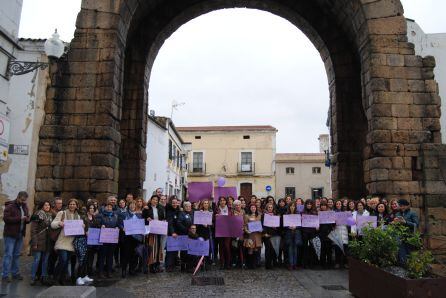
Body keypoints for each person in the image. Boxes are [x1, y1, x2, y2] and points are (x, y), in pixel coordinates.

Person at [51, 198, 82, 285]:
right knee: (63, 260)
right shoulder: (62, 213)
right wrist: (59, 223)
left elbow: (78, 231)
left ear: (76, 206)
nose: (72, 206)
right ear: (68, 205)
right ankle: (55, 278)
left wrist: (81, 227)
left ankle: (62, 279)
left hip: (71, 243)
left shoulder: (78, 216)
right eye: (70, 204)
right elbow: (52, 225)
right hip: (62, 241)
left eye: (74, 204)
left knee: (66, 262)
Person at [2, 191, 30, 282]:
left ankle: (15, 274)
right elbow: (6, 219)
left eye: (25, 200)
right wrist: (20, 218)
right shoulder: (10, 206)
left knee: (17, 255)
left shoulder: (25, 206)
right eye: (22, 200)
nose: (23, 201)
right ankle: (5, 275)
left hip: (20, 234)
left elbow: (26, 219)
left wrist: (28, 219)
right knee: (8, 255)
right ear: (18, 197)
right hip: (10, 234)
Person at [30, 200, 53, 285]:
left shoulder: (50, 215)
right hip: (39, 241)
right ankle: (32, 277)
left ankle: (44, 277)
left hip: (47, 242)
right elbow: (33, 230)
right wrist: (35, 242)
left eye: (48, 205)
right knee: (37, 260)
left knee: (45, 261)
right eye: (45, 205)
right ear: (42, 206)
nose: (47, 206)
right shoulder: (37, 215)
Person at [143, 195, 166, 273]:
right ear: (151, 200)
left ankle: (156, 264)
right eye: (153, 199)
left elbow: (163, 218)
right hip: (150, 231)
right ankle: (150, 265)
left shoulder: (160, 208)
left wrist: (163, 221)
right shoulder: (147, 208)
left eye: (156, 200)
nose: (155, 201)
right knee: (151, 248)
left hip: (158, 231)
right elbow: (143, 218)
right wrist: (147, 219)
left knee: (158, 248)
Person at [119, 201, 142, 277]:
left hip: (136, 238)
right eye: (131, 205)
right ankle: (124, 270)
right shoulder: (125, 214)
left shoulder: (139, 215)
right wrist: (123, 228)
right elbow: (120, 224)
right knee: (126, 254)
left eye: (134, 205)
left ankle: (132, 269)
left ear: (135, 206)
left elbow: (142, 225)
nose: (132, 206)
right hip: (127, 237)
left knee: (135, 254)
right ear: (128, 206)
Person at [96, 202, 119, 278]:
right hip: (103, 239)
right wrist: (100, 226)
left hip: (112, 240)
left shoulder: (115, 216)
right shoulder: (100, 215)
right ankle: (100, 272)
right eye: (107, 207)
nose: (109, 208)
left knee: (110, 256)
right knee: (102, 256)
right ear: (105, 208)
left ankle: (109, 272)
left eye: (110, 207)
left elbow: (117, 225)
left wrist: (117, 227)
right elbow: (96, 225)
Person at [393, 199, 419, 264]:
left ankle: (410, 267)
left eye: (403, 206)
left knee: (409, 253)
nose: (402, 207)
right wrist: (394, 223)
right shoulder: (398, 213)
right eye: (401, 206)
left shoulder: (412, 213)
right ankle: (403, 266)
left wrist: (405, 222)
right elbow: (396, 226)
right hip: (399, 237)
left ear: (407, 206)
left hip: (409, 237)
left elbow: (416, 225)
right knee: (401, 253)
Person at [243, 204, 262, 269]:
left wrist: (261, 229)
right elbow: (245, 225)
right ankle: (249, 264)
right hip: (250, 235)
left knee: (256, 249)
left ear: (256, 208)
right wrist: (246, 230)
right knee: (250, 249)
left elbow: (261, 224)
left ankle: (254, 264)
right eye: (252, 207)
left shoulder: (259, 216)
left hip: (257, 235)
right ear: (250, 208)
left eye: (254, 207)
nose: (253, 208)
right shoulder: (247, 216)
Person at [216, 197, 232, 270]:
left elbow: (233, 219)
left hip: (228, 231)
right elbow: (212, 219)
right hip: (219, 231)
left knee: (227, 247)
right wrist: (215, 217)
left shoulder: (230, 209)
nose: (222, 202)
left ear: (226, 201)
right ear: (219, 202)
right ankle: (222, 263)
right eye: (221, 200)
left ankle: (228, 264)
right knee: (221, 247)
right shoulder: (216, 209)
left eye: (224, 200)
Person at [284, 201, 302, 270]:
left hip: (296, 234)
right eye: (291, 206)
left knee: (296, 250)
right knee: (290, 249)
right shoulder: (286, 214)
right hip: (289, 234)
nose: (292, 207)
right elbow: (284, 225)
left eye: (294, 206)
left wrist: (296, 227)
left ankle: (295, 264)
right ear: (289, 207)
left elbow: (300, 225)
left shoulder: (298, 214)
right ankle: (291, 264)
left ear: (295, 207)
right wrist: (288, 227)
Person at [165, 197, 181, 272]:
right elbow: (170, 223)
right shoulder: (169, 211)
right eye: (173, 203)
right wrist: (172, 232)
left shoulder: (178, 210)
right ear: (171, 203)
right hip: (172, 233)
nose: (175, 204)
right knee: (170, 250)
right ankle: (168, 266)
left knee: (175, 249)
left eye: (176, 203)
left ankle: (174, 263)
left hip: (178, 232)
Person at [301, 199, 318, 269]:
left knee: (312, 247)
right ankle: (305, 263)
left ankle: (312, 263)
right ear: (306, 205)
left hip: (312, 232)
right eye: (308, 204)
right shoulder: (302, 212)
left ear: (312, 205)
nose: (309, 205)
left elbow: (317, 222)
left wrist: (317, 226)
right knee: (304, 248)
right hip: (304, 232)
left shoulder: (315, 212)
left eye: (310, 204)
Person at [85, 203, 100, 277]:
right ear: (88, 209)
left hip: (93, 241)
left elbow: (97, 228)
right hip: (85, 241)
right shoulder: (84, 218)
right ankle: (84, 273)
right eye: (90, 208)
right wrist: (85, 231)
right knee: (85, 258)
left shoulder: (95, 218)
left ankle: (89, 272)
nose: (92, 210)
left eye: (93, 209)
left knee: (91, 257)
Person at [262, 203, 278, 269]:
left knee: (273, 249)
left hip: (274, 234)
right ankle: (267, 265)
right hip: (267, 235)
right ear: (267, 208)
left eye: (271, 207)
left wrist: (276, 227)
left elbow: (278, 226)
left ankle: (272, 263)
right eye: (269, 207)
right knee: (268, 250)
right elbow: (262, 225)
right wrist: (265, 233)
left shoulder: (275, 216)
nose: (270, 208)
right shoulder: (264, 216)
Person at [318, 202, 334, 269]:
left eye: (324, 205)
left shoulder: (330, 213)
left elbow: (333, 224)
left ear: (326, 206)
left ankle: (330, 264)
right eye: (322, 205)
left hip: (329, 233)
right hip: (321, 233)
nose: (323, 207)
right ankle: (323, 264)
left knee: (329, 249)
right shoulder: (319, 213)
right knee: (323, 249)